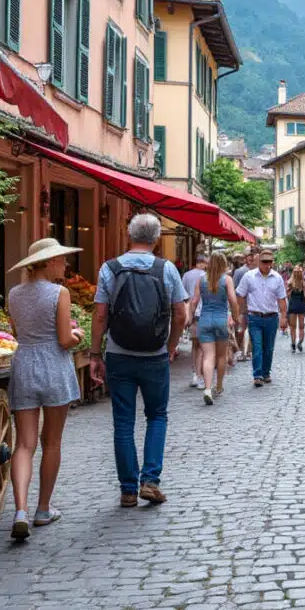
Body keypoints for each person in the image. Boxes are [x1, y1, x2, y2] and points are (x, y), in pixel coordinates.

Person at [90, 214, 188, 507]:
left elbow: (99, 315)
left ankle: (128, 490)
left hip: (119, 354)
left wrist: (95, 353)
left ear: (128, 234)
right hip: (154, 355)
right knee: (157, 416)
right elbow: (181, 314)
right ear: (157, 239)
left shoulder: (110, 268)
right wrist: (171, 346)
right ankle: (150, 480)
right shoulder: (166, 269)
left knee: (123, 422)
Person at [4, 238, 84, 540]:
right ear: (49, 262)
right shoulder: (59, 293)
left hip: (24, 364)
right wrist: (77, 334)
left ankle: (20, 510)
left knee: (24, 444)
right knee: (51, 442)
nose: (64, 264)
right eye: (61, 259)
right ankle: (43, 509)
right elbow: (64, 339)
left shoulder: (14, 294)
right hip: (53, 365)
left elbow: (16, 333)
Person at [187, 253, 238, 406]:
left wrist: (190, 318)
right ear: (223, 264)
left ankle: (207, 388)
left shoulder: (201, 280)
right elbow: (233, 300)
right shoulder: (227, 279)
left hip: (204, 321)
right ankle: (219, 386)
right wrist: (235, 316)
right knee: (221, 356)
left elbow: (194, 301)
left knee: (208, 356)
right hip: (221, 320)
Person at [235, 250, 287, 386]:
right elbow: (240, 294)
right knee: (257, 346)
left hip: (271, 317)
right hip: (254, 317)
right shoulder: (248, 276)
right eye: (264, 262)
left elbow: (282, 299)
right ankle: (257, 375)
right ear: (259, 262)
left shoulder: (277, 278)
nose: (267, 265)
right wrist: (241, 311)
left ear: (272, 262)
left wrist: (283, 317)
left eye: (269, 262)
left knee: (269, 347)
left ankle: (266, 373)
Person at [180, 255, 208, 389]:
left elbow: (183, 295)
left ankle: (194, 374)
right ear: (202, 263)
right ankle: (199, 375)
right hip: (203, 313)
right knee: (203, 347)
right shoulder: (206, 276)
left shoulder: (186, 275)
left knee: (195, 345)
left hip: (191, 313)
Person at [232, 251, 258, 361]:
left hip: (254, 306)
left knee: (251, 330)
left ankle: (248, 352)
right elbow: (234, 290)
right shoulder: (240, 272)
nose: (252, 261)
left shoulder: (260, 272)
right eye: (250, 259)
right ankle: (239, 351)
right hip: (243, 306)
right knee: (241, 329)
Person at [286, 267, 305, 353]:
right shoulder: (304, 283)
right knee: (301, 327)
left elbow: (287, 294)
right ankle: (300, 342)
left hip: (293, 305)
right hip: (302, 305)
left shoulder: (290, 282)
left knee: (293, 327)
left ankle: (293, 344)